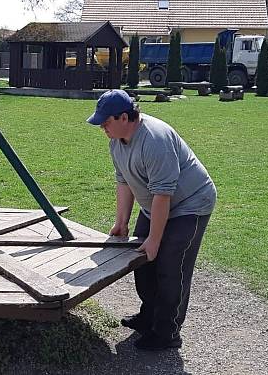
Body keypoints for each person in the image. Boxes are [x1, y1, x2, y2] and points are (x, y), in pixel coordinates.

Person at [87, 89, 216, 351]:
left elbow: (163, 195)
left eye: (106, 121)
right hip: (154, 205)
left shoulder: (155, 140)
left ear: (124, 117)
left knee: (170, 267)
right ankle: (149, 315)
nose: (102, 126)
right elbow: (124, 181)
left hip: (189, 204)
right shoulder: (116, 141)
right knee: (142, 261)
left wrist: (155, 239)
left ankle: (167, 332)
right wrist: (121, 222)